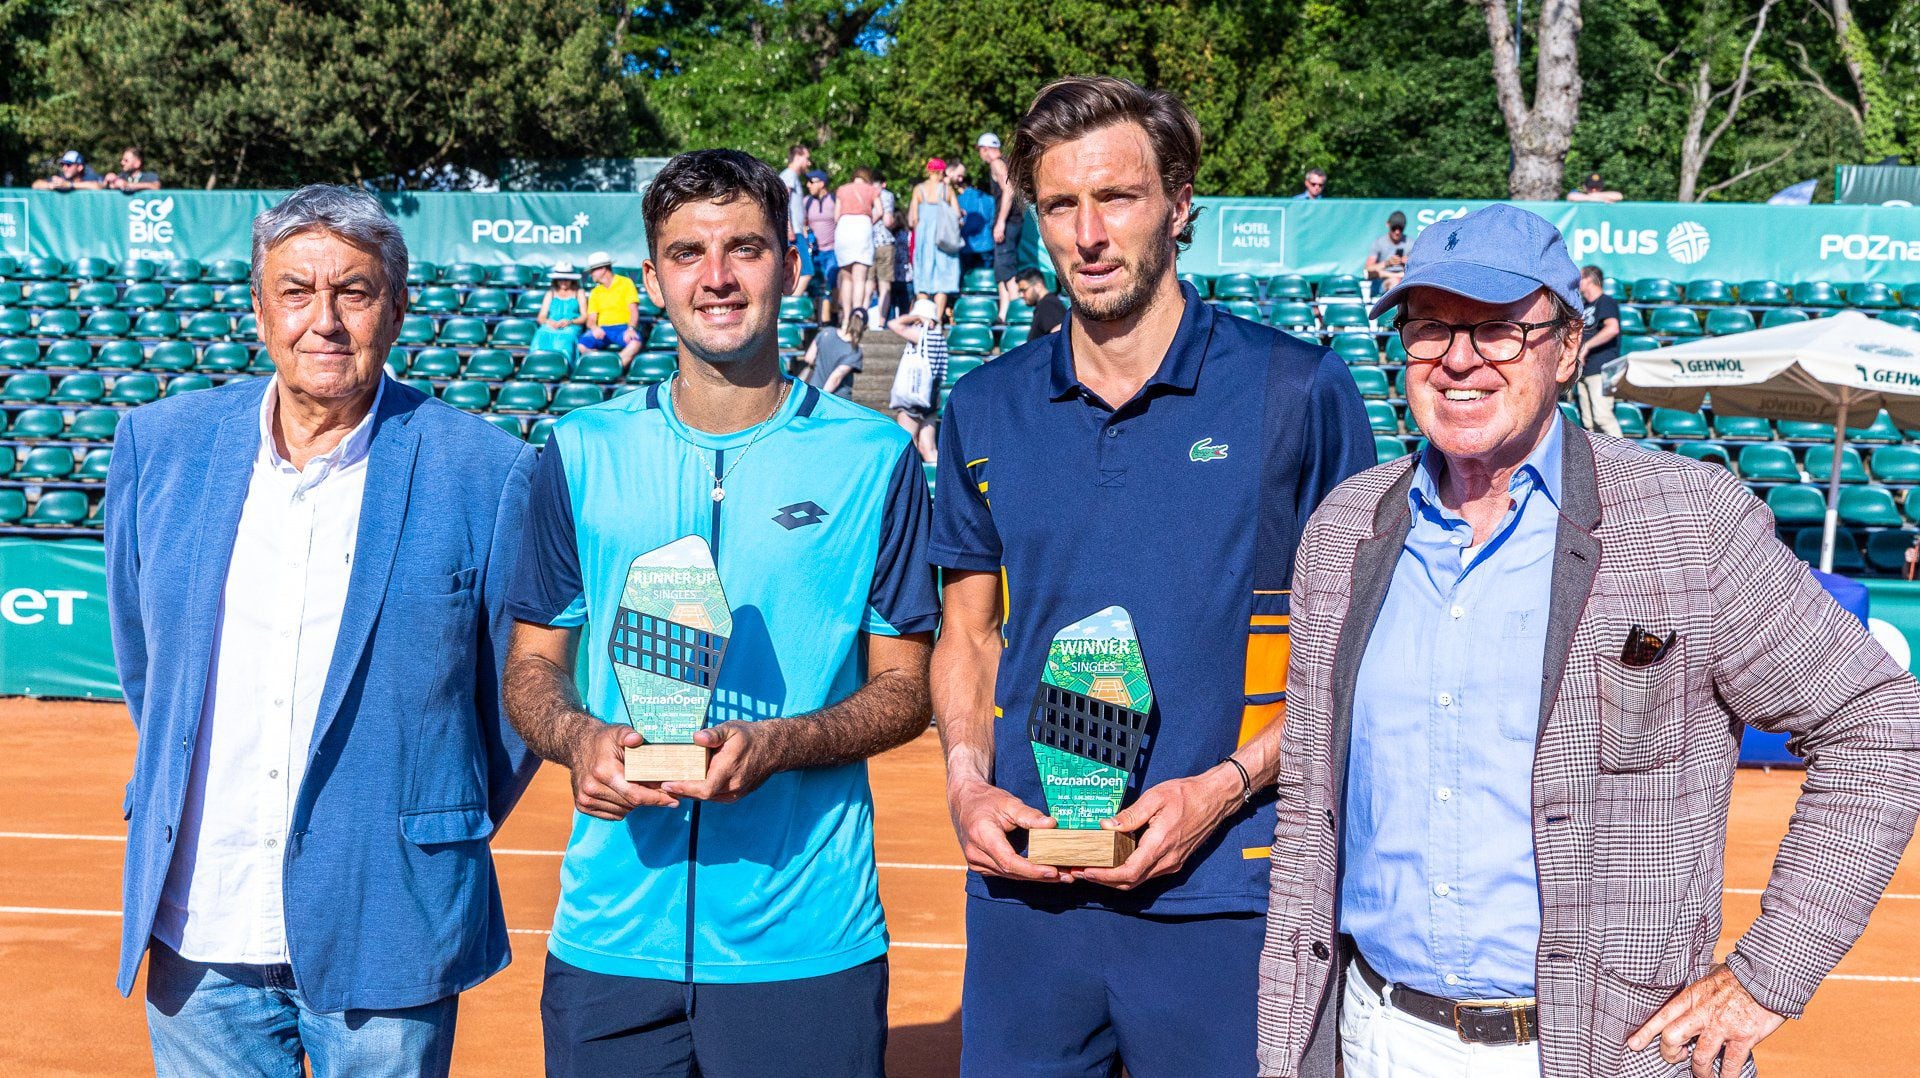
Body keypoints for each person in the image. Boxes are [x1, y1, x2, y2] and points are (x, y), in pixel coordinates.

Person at [1256, 202, 1920, 1078]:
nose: (1459, 358)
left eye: (1498, 330)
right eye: (1430, 328)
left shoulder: (1689, 521)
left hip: (1602, 1053)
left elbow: (1877, 721)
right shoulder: (1345, 529)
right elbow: (1311, 805)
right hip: (1374, 1036)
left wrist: (1769, 974)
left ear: (1568, 348)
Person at [931, 76, 1374, 1078]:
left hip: (1227, 894)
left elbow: (1357, 648)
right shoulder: (985, 405)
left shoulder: (1296, 390)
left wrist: (1222, 791)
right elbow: (967, 632)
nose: (1088, 233)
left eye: (1118, 198)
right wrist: (965, 782)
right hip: (1028, 900)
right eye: (1060, 204)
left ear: (1180, 205)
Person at [501, 148, 938, 1078]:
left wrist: (778, 744)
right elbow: (533, 667)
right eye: (687, 253)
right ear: (654, 277)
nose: (718, 277)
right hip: (611, 939)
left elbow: (906, 690)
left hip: (805, 936)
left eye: (744, 248)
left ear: (788, 260)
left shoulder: (873, 459)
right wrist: (578, 739)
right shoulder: (579, 452)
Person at [105, 184, 540, 1077]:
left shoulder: (490, 469)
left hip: (390, 918)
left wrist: (430, 822)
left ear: (398, 306)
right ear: (260, 307)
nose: (325, 321)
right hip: (200, 923)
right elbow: (148, 666)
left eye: (354, 291)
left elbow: (512, 701)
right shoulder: (158, 446)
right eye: (297, 291)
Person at [888, 297, 948, 463]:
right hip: (931, 398)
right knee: (928, 448)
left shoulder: (921, 335)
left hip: (913, 397)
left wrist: (916, 318)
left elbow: (893, 324)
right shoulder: (939, 337)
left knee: (907, 446)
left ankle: (914, 486)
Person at [977, 132, 1027, 321]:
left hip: (1008, 222)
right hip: (1011, 222)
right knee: (1001, 269)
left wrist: (1000, 222)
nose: (980, 155)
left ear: (985, 149)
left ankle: (1016, 313)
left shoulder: (997, 163)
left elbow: (1009, 190)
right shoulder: (1005, 162)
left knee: (1007, 269)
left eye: (980, 150)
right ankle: (1004, 313)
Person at [908, 159, 962, 321]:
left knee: (923, 279)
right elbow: (957, 214)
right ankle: (937, 321)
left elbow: (912, 220)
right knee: (942, 281)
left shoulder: (919, 190)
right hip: (942, 240)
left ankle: (922, 320)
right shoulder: (947, 190)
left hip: (924, 241)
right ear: (942, 172)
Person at [1574, 264, 1622, 438]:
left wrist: (1586, 347)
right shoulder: (1584, 306)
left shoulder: (1605, 301)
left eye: (1580, 277)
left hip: (1601, 368)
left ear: (1588, 279)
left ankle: (1624, 459)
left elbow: (1612, 328)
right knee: (1589, 424)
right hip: (1584, 370)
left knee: (1603, 418)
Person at [834, 166, 883, 322]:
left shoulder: (842, 190)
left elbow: (836, 216)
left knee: (847, 277)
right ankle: (858, 315)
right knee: (860, 278)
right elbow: (880, 211)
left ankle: (847, 318)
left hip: (844, 228)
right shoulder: (872, 190)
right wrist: (869, 221)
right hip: (862, 228)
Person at [577, 252, 643, 366]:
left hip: (624, 328)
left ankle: (611, 367)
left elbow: (633, 311)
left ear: (602, 269)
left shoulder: (625, 283)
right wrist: (594, 328)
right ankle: (605, 366)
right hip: (603, 329)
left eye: (592, 271)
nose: (591, 274)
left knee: (635, 344)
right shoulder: (595, 292)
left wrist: (631, 328)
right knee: (581, 345)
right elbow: (591, 319)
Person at [796, 309, 866, 399]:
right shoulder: (855, 351)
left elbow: (809, 358)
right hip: (837, 399)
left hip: (814, 389)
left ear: (848, 320)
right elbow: (836, 378)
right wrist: (822, 397)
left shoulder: (826, 332)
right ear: (864, 327)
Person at [778, 144, 815, 299]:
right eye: (807, 158)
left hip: (798, 232)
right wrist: (788, 228)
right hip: (793, 233)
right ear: (798, 157)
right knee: (806, 271)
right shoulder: (789, 175)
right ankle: (788, 310)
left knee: (798, 272)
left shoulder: (793, 177)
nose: (809, 163)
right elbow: (783, 201)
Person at [804, 169, 840, 323]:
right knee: (814, 286)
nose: (808, 185)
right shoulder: (807, 202)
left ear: (822, 183)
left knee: (831, 285)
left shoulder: (834, 200)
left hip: (832, 250)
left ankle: (832, 320)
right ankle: (816, 320)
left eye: (812, 181)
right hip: (815, 252)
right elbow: (803, 223)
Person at [531, 263, 587, 359]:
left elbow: (584, 316)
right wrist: (549, 322)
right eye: (560, 279)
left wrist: (570, 321)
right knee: (541, 334)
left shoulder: (579, 292)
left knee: (566, 338)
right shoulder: (550, 293)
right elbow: (541, 316)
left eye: (567, 279)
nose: (564, 282)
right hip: (550, 325)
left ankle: (564, 366)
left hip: (571, 326)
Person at [952, 161, 995, 278]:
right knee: (987, 278)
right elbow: (992, 220)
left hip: (967, 246)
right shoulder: (989, 199)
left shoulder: (957, 200)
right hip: (986, 244)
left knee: (968, 279)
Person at [1363, 211, 1410, 292]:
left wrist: (1409, 262)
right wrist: (1388, 263)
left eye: (1400, 228)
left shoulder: (1411, 244)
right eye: (1394, 228)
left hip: (1404, 281)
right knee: (1394, 282)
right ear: (1388, 224)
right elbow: (1368, 269)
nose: (1397, 232)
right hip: (1384, 282)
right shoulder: (1379, 243)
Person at [872, 179, 898, 320]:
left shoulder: (864, 193)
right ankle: (880, 323)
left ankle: (862, 321)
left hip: (867, 244)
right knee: (884, 285)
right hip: (884, 243)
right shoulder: (886, 195)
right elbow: (888, 221)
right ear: (884, 183)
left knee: (866, 286)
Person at [1015, 267, 1066, 336]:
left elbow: (1060, 336)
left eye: (1024, 290)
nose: (1021, 295)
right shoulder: (1045, 304)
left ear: (1038, 286)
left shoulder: (1048, 305)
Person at [32, 150, 102, 190]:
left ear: (80, 167)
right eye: (63, 165)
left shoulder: (89, 177)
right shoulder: (62, 179)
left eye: (69, 165)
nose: (64, 168)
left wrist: (69, 185)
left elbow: (97, 187)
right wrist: (50, 185)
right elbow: (35, 184)